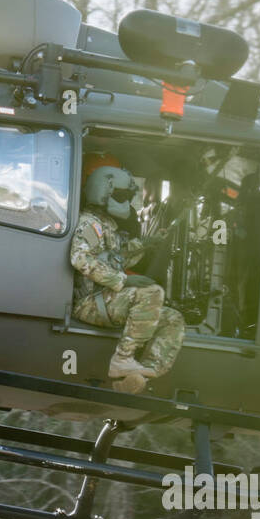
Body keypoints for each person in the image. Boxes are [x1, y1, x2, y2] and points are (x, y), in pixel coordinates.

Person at [70, 162, 185, 394]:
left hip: (107, 299)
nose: (127, 201)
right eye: (122, 196)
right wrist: (123, 281)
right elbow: (80, 259)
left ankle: (141, 373)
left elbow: (118, 257)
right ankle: (122, 359)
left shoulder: (106, 225)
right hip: (90, 303)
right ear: (104, 194)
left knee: (173, 319)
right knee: (153, 293)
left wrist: (147, 244)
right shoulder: (89, 224)